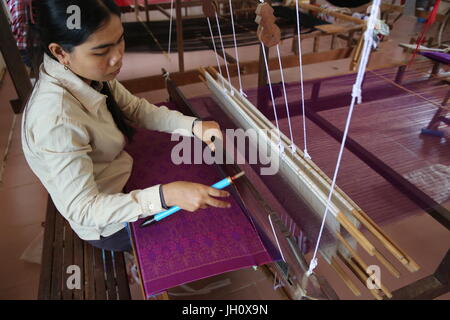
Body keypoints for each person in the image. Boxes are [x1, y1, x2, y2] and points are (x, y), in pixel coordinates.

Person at [22, 0, 231, 252]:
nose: (117, 58)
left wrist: (195, 126)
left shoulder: (85, 75)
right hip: (109, 224)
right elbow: (85, 209)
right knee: (218, 223)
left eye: (120, 40)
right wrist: (166, 196)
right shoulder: (55, 120)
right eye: (102, 51)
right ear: (60, 52)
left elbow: (134, 109)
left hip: (118, 176)